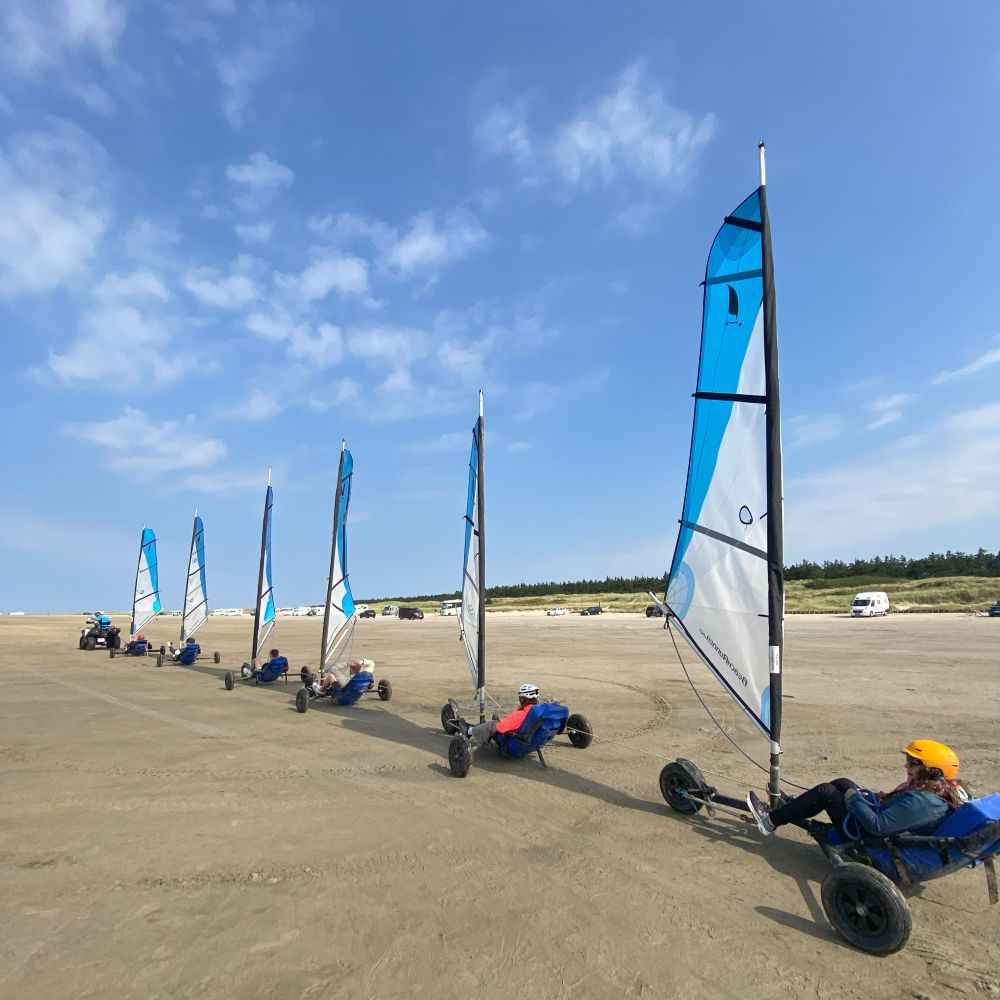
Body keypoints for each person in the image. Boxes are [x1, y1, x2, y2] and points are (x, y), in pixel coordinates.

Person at [746, 740, 970, 839]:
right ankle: (795, 807)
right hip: (885, 819)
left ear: (931, 771)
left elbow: (877, 827)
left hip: (867, 835)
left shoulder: (921, 800)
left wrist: (855, 800)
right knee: (842, 782)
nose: (906, 767)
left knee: (826, 792)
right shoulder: (945, 791)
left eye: (912, 763)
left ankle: (770, 821)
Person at [451, 683, 541, 749]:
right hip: (529, 741)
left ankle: (469, 730)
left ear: (523, 699)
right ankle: (478, 728)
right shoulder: (539, 712)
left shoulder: (521, 714)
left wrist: (499, 723)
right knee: (497, 721)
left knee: (492, 724)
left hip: (513, 744)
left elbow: (500, 728)